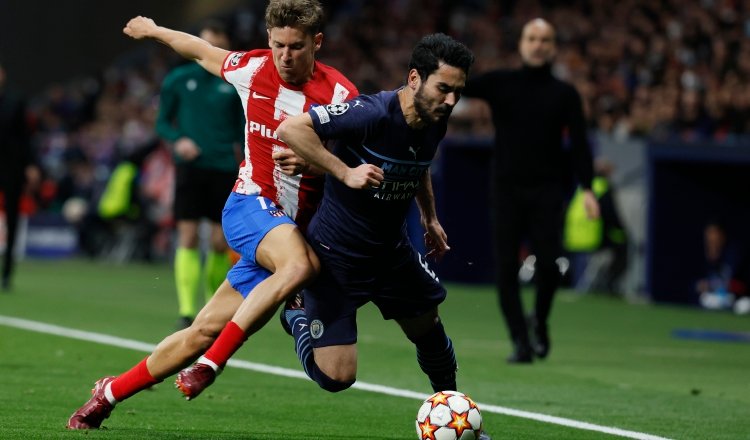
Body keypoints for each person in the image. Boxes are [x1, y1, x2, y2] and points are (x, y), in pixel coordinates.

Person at [66, 0, 358, 429]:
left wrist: (316, 165)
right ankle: (211, 366)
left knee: (207, 333)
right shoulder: (253, 69)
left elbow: (353, 164)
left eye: (296, 46)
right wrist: (154, 29)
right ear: (268, 40)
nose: (285, 56)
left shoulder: (339, 95)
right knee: (299, 266)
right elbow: (200, 49)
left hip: (293, 234)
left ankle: (107, 394)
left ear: (317, 42)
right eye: (278, 45)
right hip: (251, 206)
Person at [175, 32, 480, 413]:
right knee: (337, 377)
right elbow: (292, 130)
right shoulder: (370, 112)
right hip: (338, 255)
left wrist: (429, 216)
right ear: (415, 79)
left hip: (390, 251)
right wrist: (344, 171)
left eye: (458, 91)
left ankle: (455, 409)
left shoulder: (435, 117)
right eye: (444, 89)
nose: (451, 100)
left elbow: (419, 163)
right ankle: (297, 314)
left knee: (429, 332)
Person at [461, 18, 600, 363]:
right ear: (522, 44)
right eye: (532, 38)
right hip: (505, 189)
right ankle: (520, 341)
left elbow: (580, 144)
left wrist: (587, 188)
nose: (538, 45)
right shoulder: (500, 83)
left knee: (550, 267)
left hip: (547, 190)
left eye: (545, 40)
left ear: (553, 47)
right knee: (506, 268)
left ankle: (538, 320)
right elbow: (457, 83)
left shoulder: (565, 94)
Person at [154, 18, 245, 329]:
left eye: (213, 43)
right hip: (191, 168)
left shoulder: (234, 83)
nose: (206, 49)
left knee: (221, 243)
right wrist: (179, 140)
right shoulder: (178, 79)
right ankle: (185, 311)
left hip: (223, 168)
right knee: (188, 236)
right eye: (203, 42)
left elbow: (243, 130)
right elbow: (162, 122)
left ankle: (212, 310)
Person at [0, 60, 40, 291]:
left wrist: (31, 164)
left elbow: (26, 136)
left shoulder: (15, 101)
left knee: (13, 218)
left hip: (11, 166)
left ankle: (7, 274)